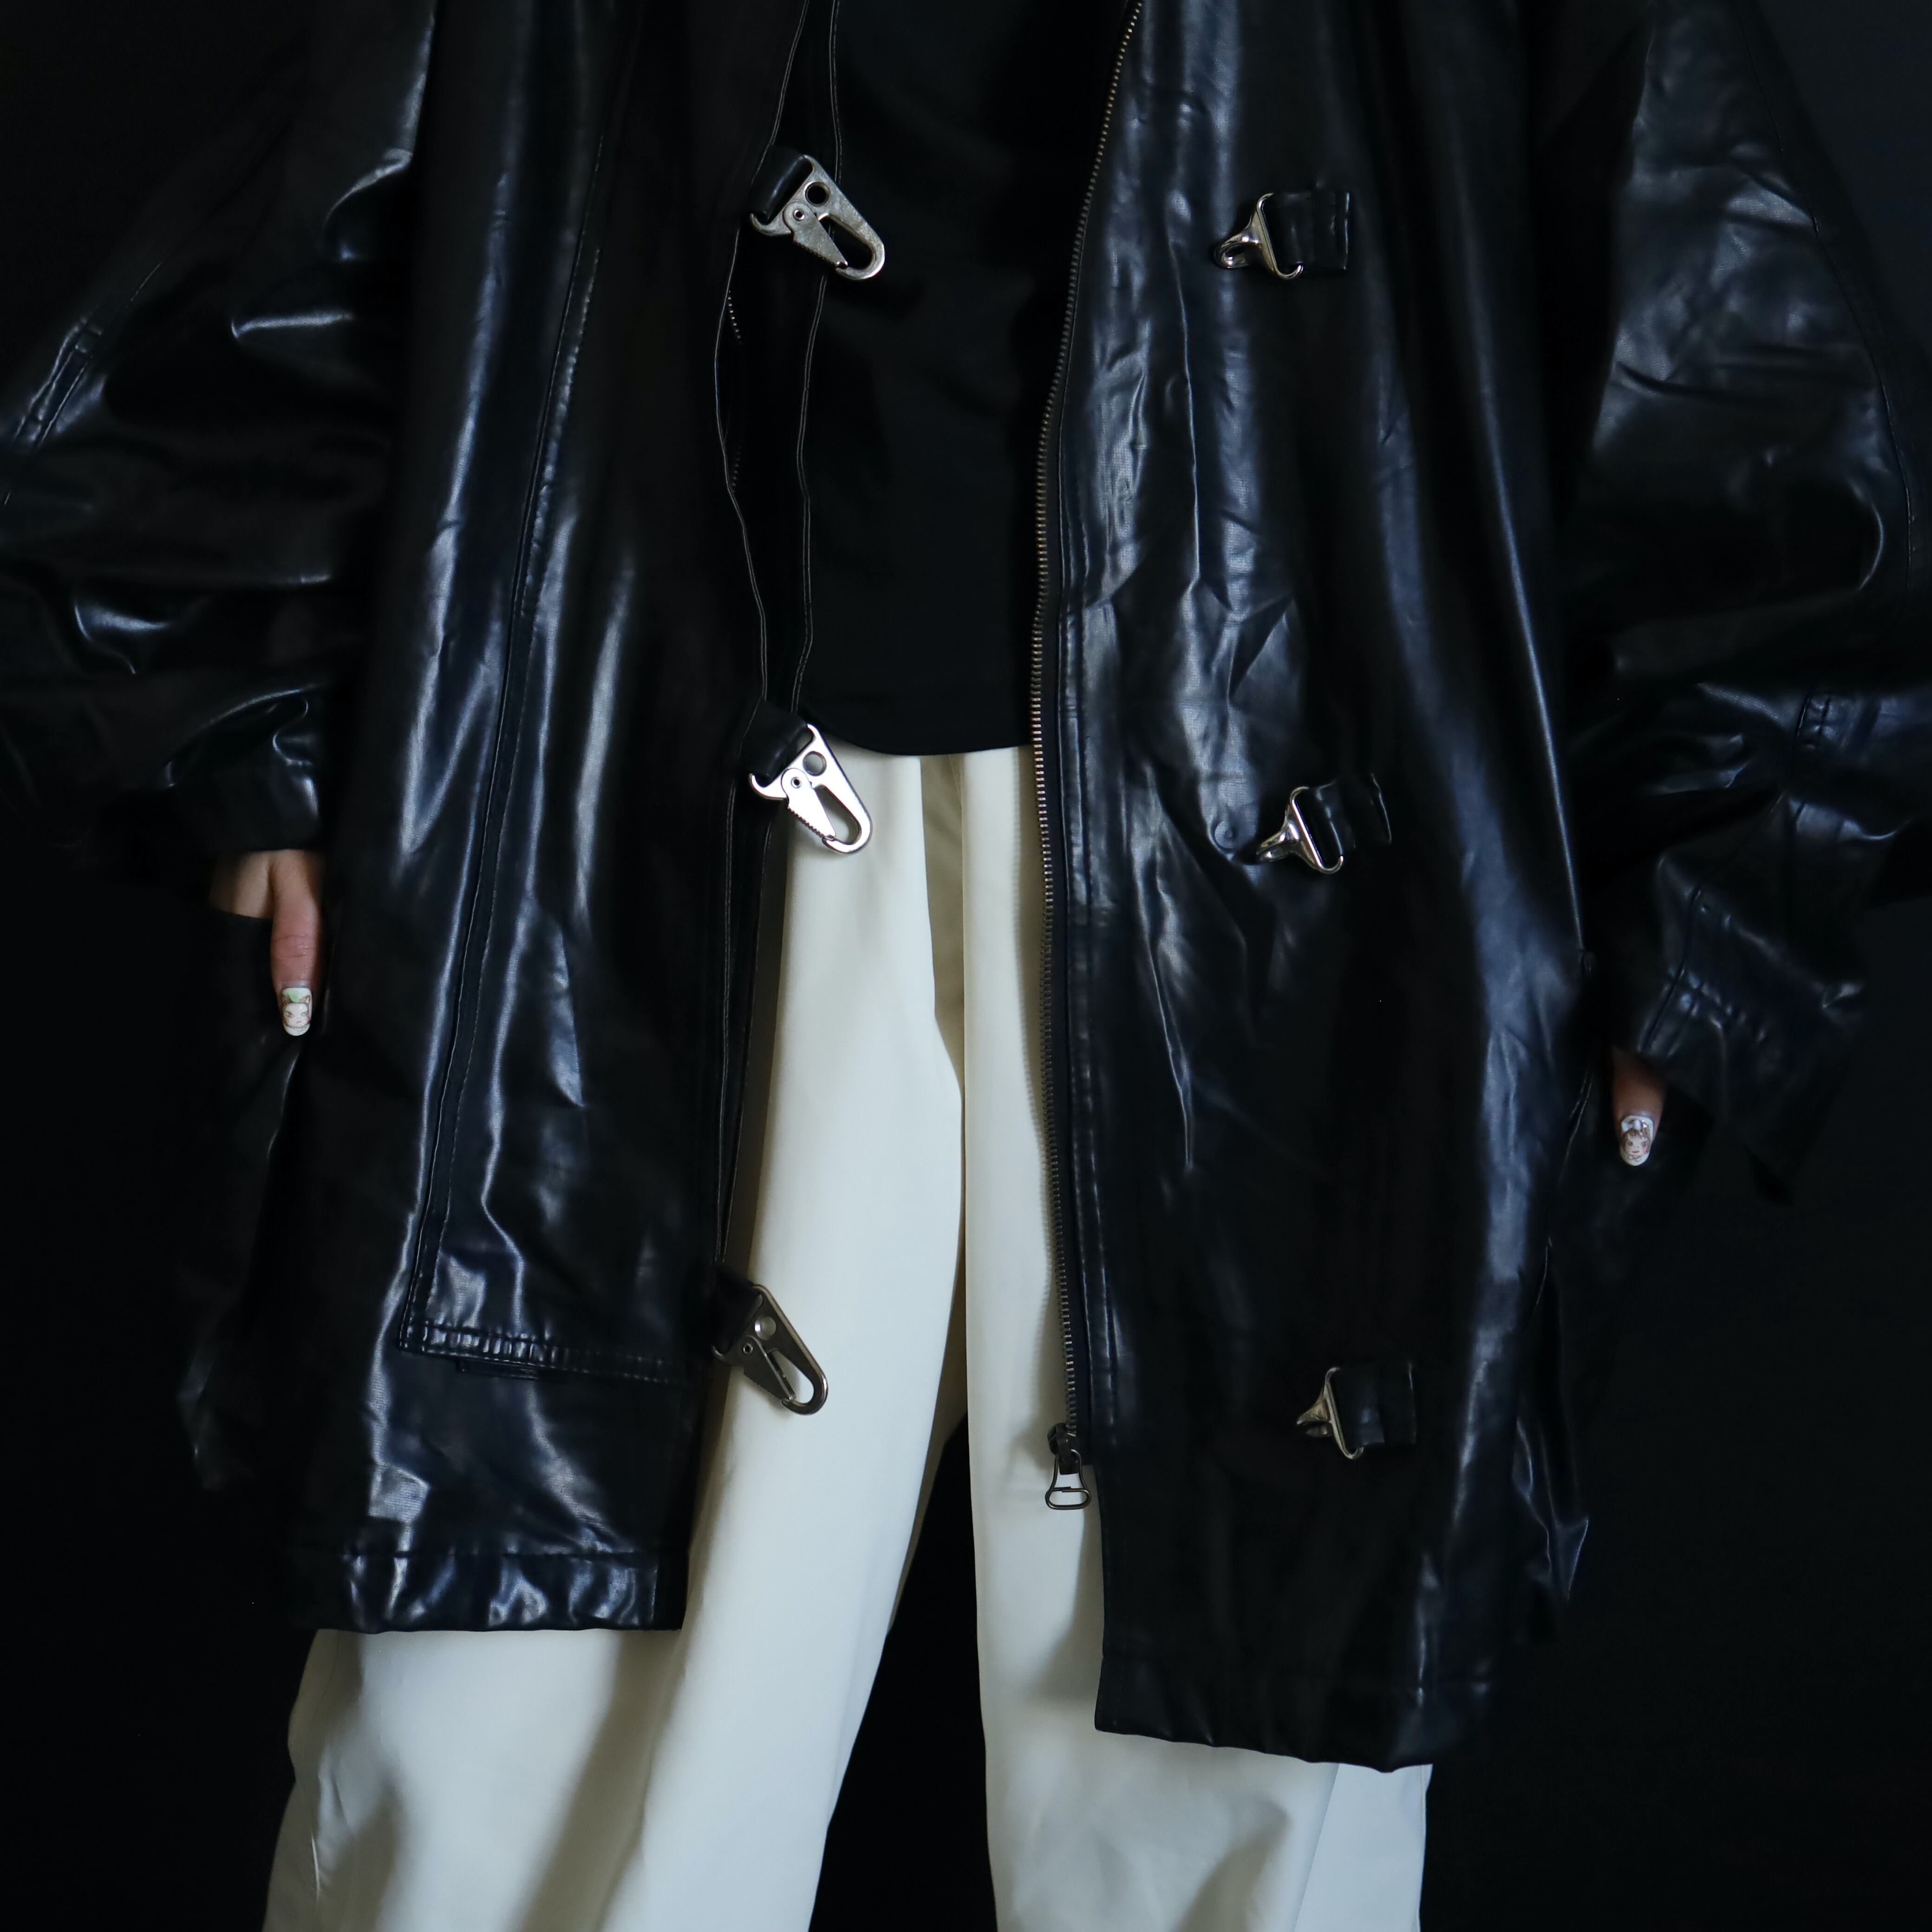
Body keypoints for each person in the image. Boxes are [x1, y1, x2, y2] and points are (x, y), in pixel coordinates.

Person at [2, 0, 1926, 1926]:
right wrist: (254, 732)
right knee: (507, 1772)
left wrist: (1720, 895)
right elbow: (318, 227)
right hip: (627, 811)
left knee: (1236, 1789)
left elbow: (1732, 316)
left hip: (1274, 866)